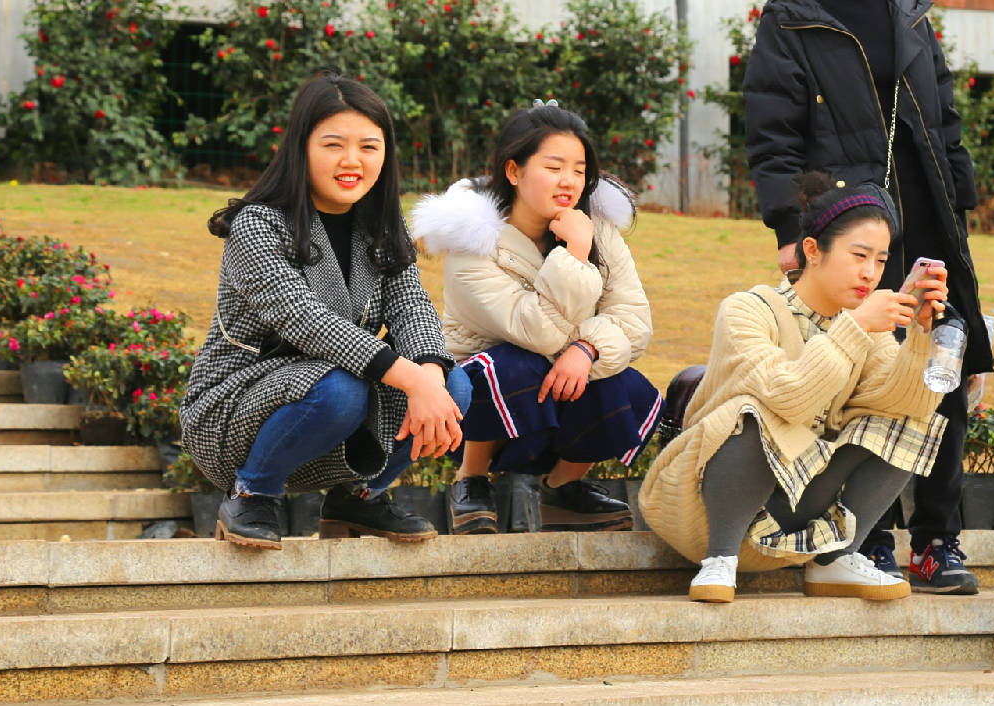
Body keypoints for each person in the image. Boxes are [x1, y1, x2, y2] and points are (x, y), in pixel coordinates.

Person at [742, 0, 992, 595]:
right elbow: (771, 134)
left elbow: (944, 120)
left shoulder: (909, 12)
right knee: (857, 374)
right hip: (847, 224)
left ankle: (937, 542)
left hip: (929, 219)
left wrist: (960, 204)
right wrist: (789, 227)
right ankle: (864, 537)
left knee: (941, 368)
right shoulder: (791, 15)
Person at [180, 72, 470, 549]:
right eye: (334, 145)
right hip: (236, 411)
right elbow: (306, 321)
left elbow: (411, 306)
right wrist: (415, 382)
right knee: (342, 389)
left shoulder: (381, 224)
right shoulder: (257, 225)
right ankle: (252, 493)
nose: (352, 161)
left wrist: (431, 377)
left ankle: (359, 496)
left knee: (454, 384)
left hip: (335, 404)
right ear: (301, 148)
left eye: (369, 147)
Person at [638, 174, 950, 604]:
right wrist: (855, 327)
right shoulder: (748, 309)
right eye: (859, 255)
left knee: (911, 422)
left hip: (791, 511)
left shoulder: (867, 329)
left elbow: (906, 403)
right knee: (757, 409)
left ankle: (834, 559)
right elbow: (788, 397)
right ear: (812, 250)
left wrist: (920, 336)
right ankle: (720, 559)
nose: (870, 273)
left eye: (880, 261)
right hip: (704, 512)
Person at [410, 102, 661, 533]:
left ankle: (562, 488)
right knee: (513, 364)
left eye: (579, 170)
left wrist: (587, 349)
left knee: (626, 386)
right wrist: (576, 253)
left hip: (560, 388)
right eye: (554, 167)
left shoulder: (597, 227)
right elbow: (536, 331)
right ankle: (471, 480)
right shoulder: (472, 241)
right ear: (514, 171)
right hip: (485, 407)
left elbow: (634, 319)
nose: (569, 181)